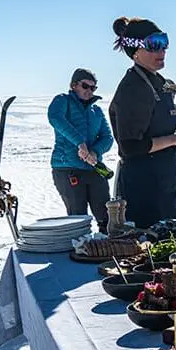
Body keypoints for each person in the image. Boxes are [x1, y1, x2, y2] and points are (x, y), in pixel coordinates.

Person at [109, 17, 176, 228]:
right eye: (154, 44)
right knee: (155, 244)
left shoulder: (158, 83)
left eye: (164, 42)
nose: (162, 50)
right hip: (146, 193)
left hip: (167, 187)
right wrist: (175, 139)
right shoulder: (133, 87)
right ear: (135, 51)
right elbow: (130, 146)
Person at [47, 68, 114, 231]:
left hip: (94, 168)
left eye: (93, 87)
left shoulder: (96, 111)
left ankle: (108, 243)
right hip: (67, 169)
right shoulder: (62, 101)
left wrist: (95, 152)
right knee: (78, 219)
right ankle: (81, 246)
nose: (89, 90)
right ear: (73, 85)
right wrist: (80, 143)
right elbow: (55, 118)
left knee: (107, 216)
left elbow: (107, 137)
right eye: (85, 86)